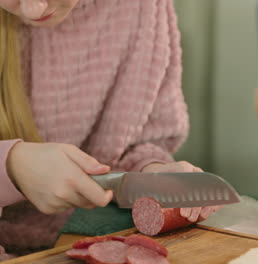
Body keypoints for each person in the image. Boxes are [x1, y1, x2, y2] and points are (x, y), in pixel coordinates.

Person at [0, 0, 219, 259]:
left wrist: (152, 172)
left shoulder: (141, 8)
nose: (33, 9)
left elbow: (135, 142)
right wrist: (10, 165)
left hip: (78, 239)